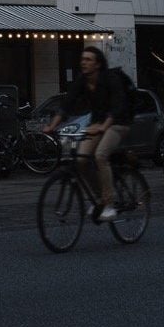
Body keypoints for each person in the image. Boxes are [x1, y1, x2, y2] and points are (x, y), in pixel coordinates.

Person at [44, 45, 132, 221]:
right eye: (82, 59)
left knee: (100, 155)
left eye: (88, 60)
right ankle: (99, 198)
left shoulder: (110, 78)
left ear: (98, 64)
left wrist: (104, 126)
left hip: (119, 122)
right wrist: (52, 126)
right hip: (98, 123)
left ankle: (109, 204)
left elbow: (117, 105)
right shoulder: (82, 81)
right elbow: (67, 104)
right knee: (81, 160)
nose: (83, 63)